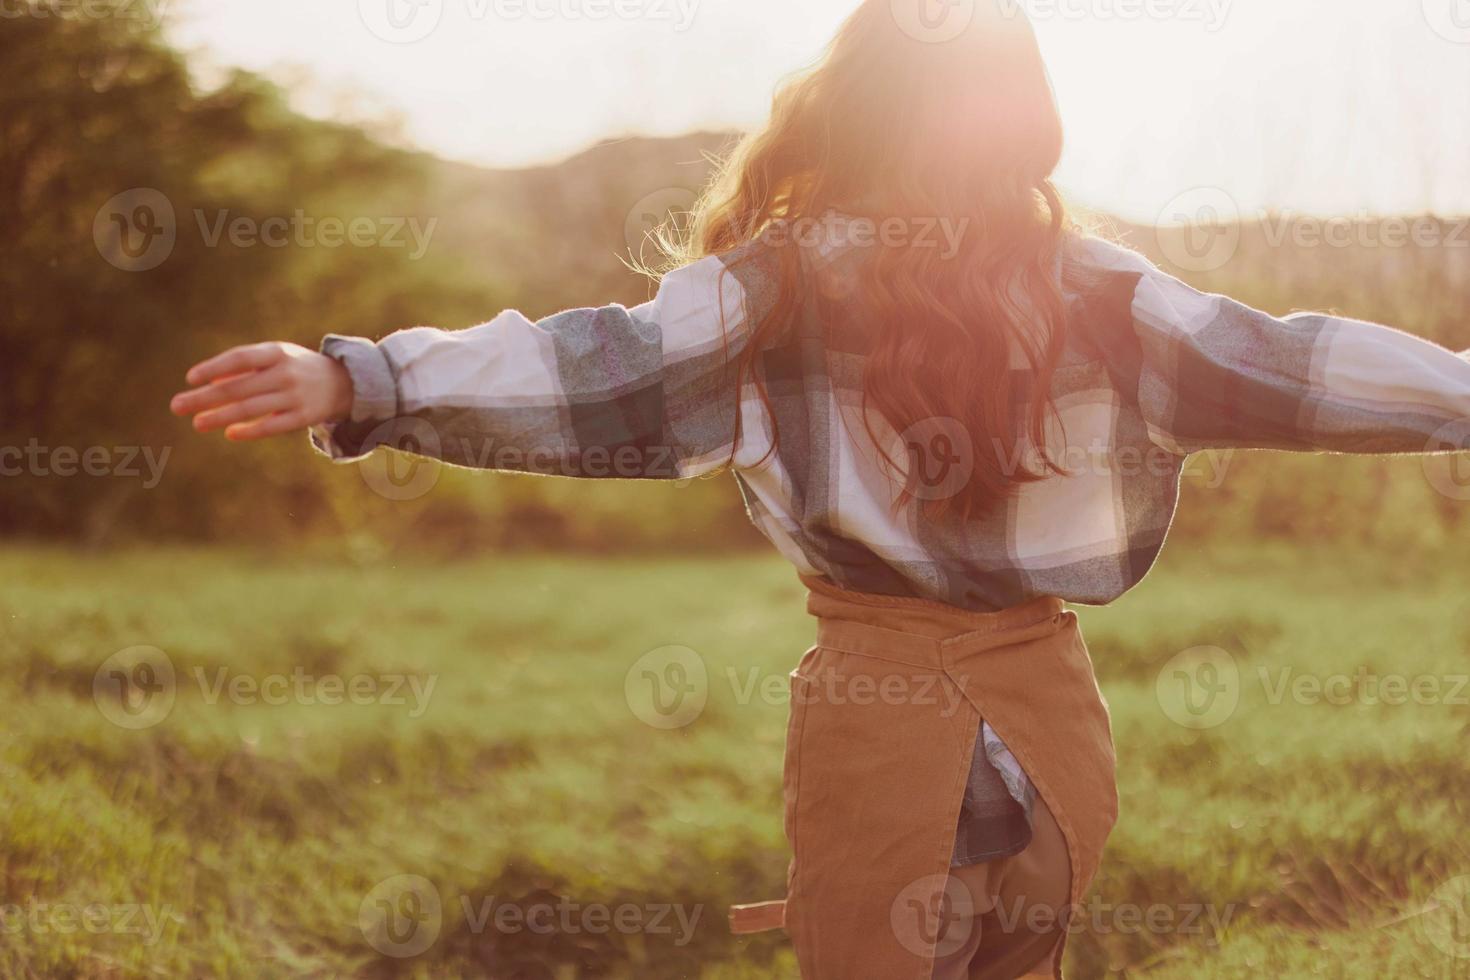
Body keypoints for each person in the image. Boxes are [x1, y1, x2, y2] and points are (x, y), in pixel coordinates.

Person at [170, 2, 1470, 976]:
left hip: (882, 730)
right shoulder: (1109, 292)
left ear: (843, 110)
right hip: (1052, 737)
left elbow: (594, 370)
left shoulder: (775, 287)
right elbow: (1291, 363)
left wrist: (364, 380)